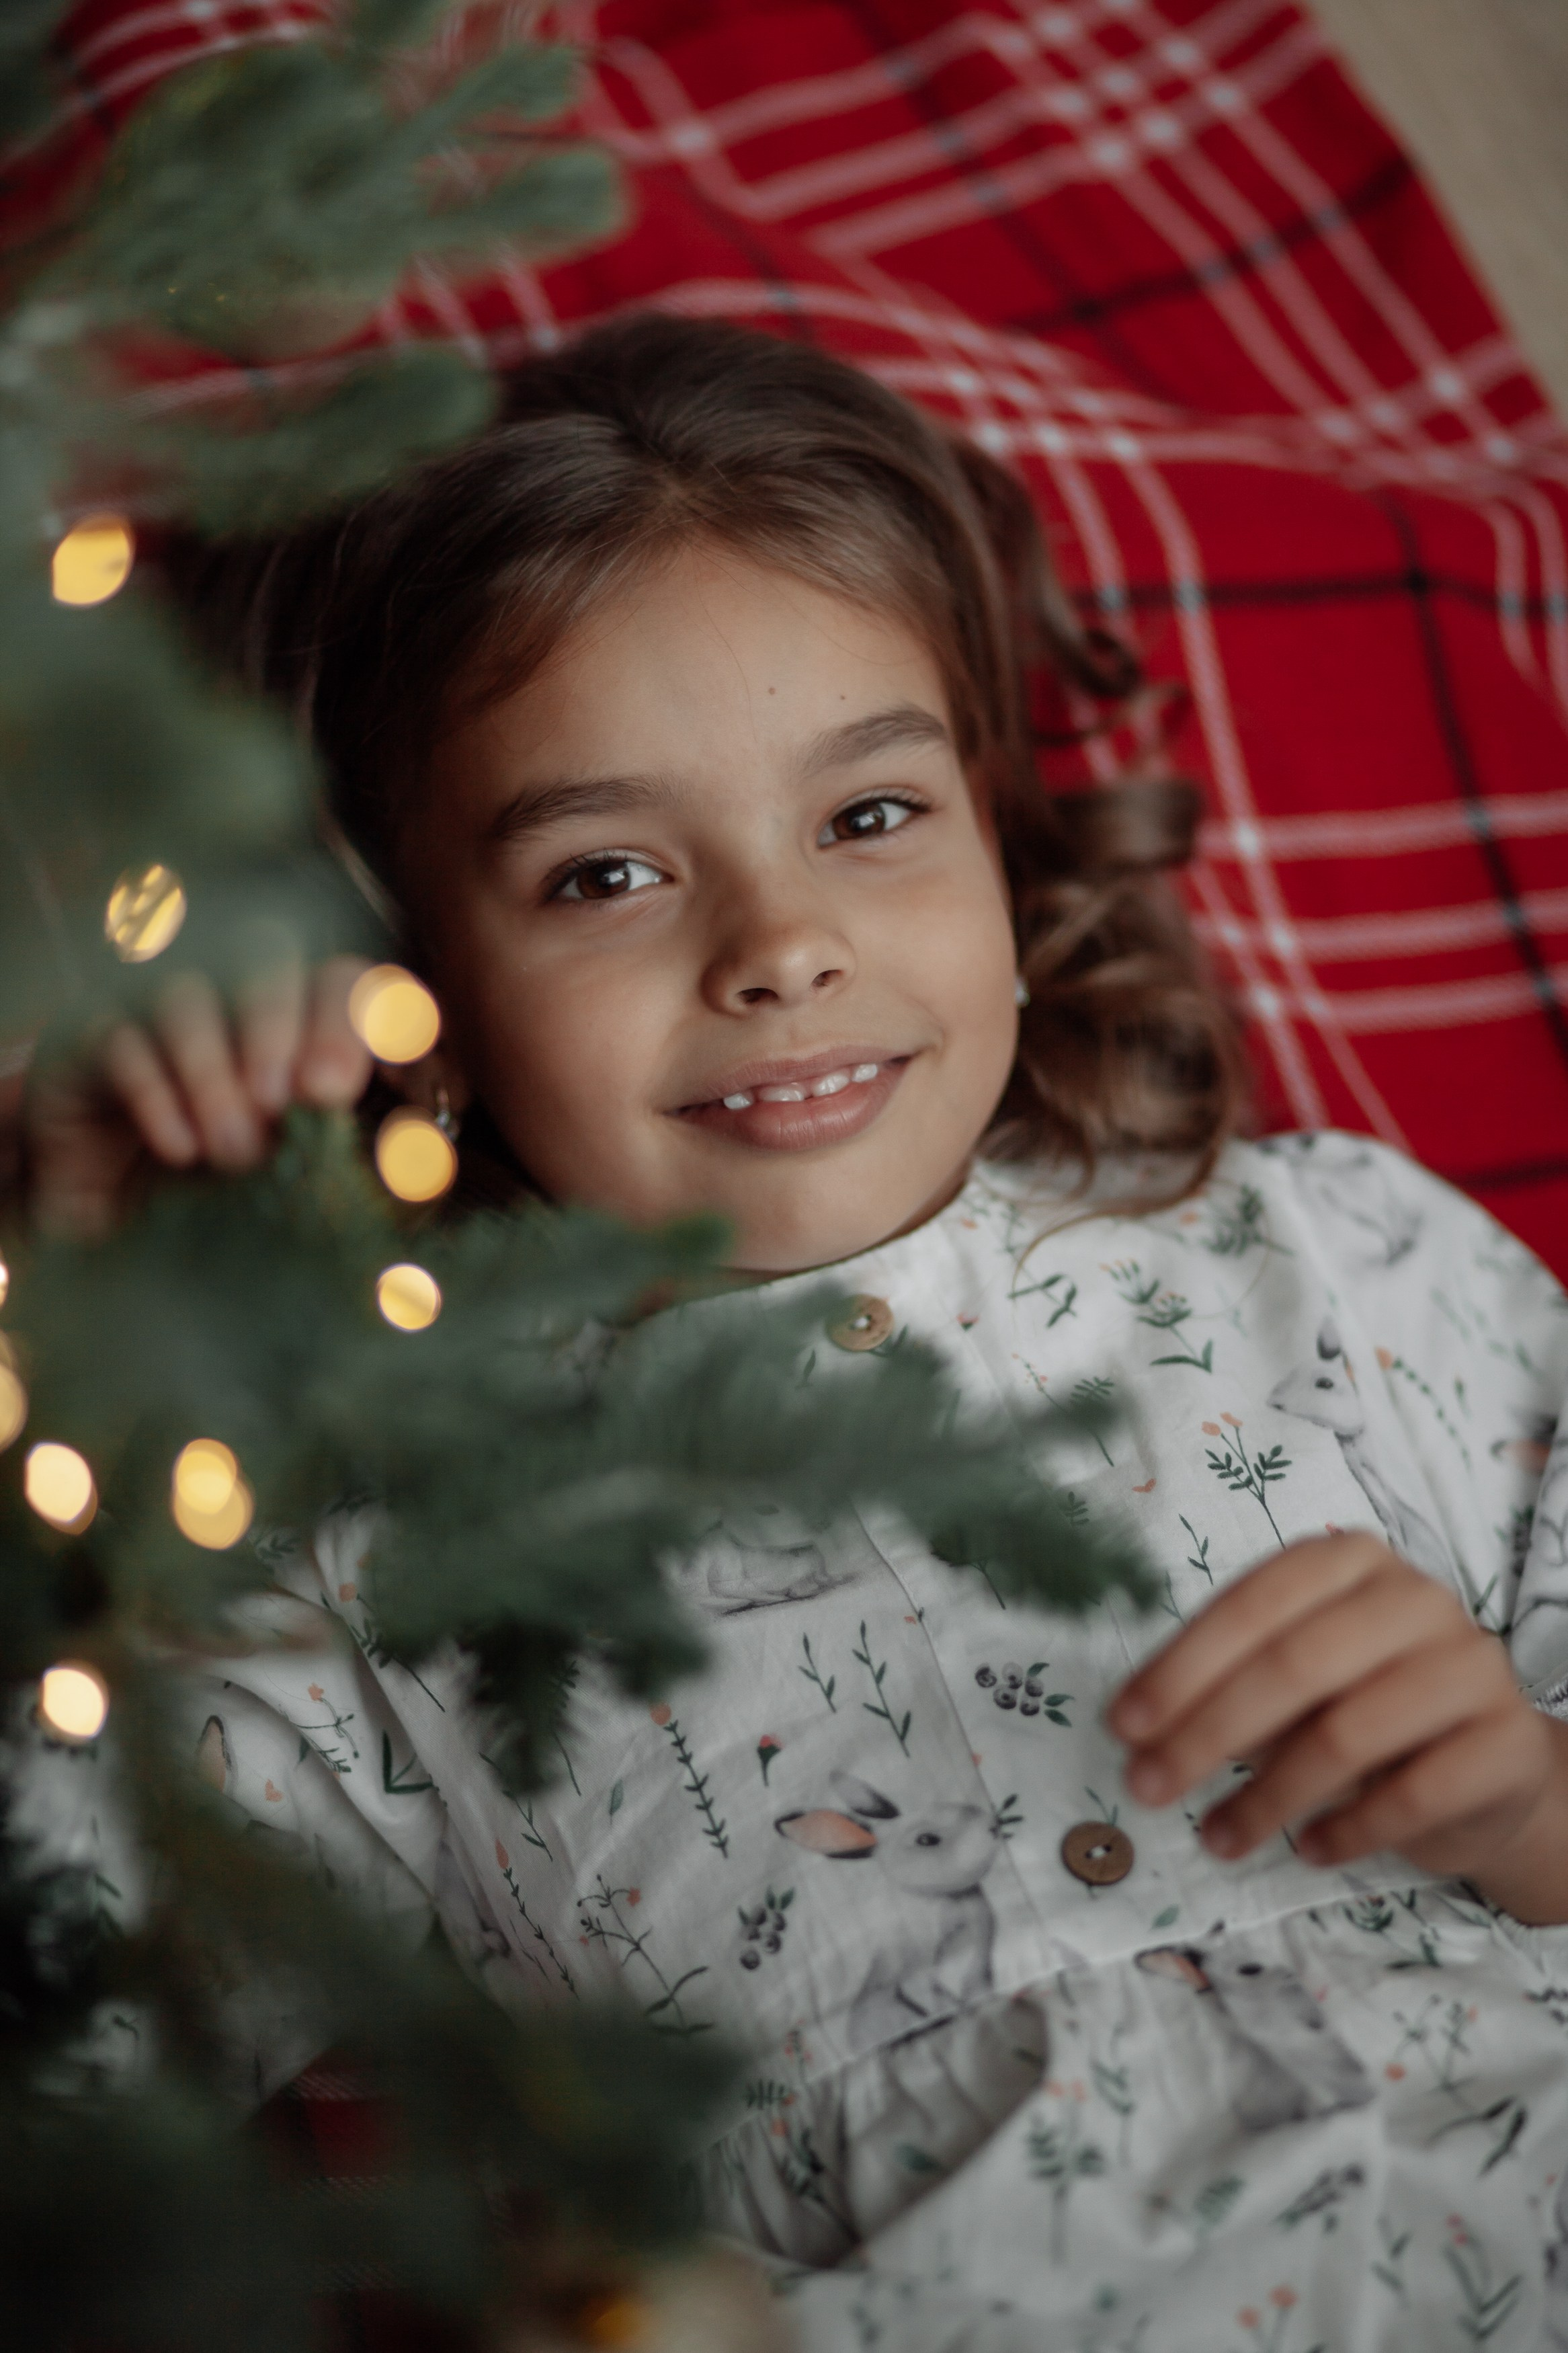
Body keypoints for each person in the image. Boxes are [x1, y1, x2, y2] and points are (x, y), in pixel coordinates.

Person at [22, 316, 1568, 2350]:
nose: (780, 945)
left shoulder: (1349, 1263)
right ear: (415, 984)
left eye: (867, 818)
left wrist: (1537, 1800)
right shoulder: (372, 1539)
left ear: (1002, 832)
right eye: (605, 873)